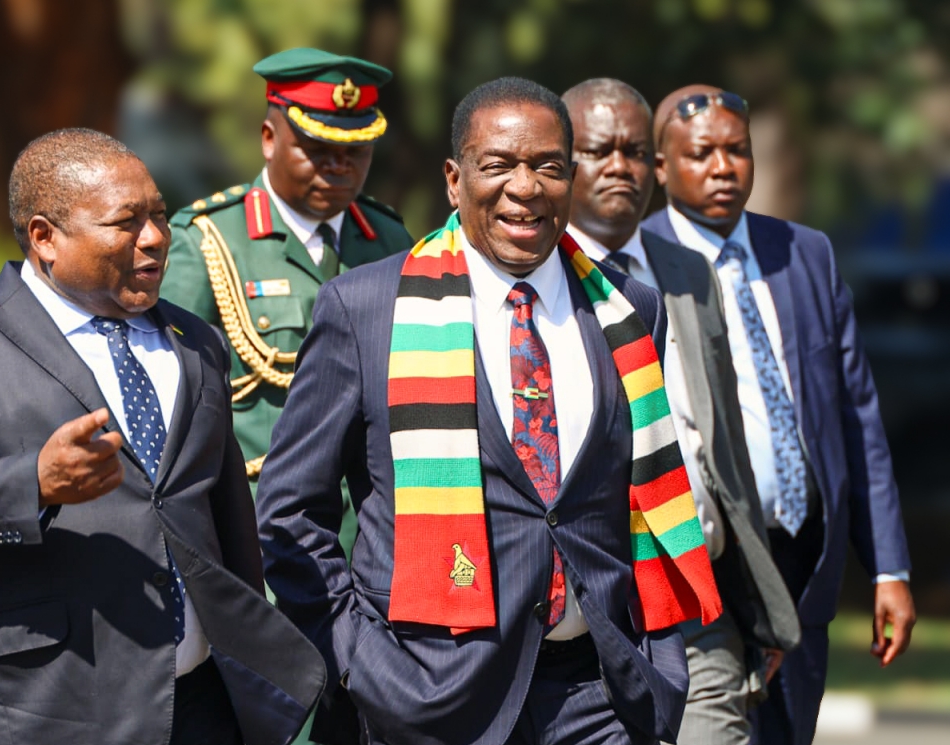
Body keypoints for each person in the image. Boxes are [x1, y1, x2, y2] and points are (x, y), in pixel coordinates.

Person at [257, 77, 723, 745]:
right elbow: (288, 514)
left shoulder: (629, 310)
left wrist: (659, 660)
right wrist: (366, 664)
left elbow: (631, 500)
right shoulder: (365, 309)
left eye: (549, 167)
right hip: (432, 696)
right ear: (454, 179)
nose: (526, 187)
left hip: (598, 698)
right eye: (499, 164)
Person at [0, 128, 325, 745]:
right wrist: (33, 482)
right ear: (44, 237)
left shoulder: (195, 342)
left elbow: (224, 513)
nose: (157, 238)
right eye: (125, 222)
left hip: (199, 705)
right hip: (39, 709)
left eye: (159, 215)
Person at [642, 84, 916, 745]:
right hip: (701, 561)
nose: (722, 167)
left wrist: (889, 568)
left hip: (802, 559)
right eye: (700, 152)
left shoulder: (805, 254)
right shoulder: (637, 264)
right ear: (660, 166)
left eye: (736, 150)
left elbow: (856, 420)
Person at [561, 78, 801, 745]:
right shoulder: (538, 274)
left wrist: (756, 599)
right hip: (592, 601)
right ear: (561, 159)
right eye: (598, 149)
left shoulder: (689, 270)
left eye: (635, 151)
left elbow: (721, 443)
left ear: (656, 166)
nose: (619, 166)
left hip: (698, 589)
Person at [159, 48, 412, 494]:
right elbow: (173, 390)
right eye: (317, 149)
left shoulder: (390, 240)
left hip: (370, 516)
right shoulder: (208, 240)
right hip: (261, 513)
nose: (339, 166)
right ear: (269, 139)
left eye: (356, 150)